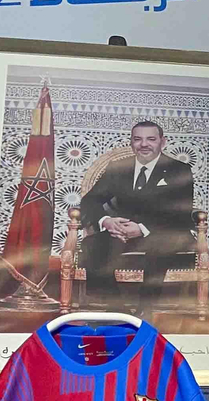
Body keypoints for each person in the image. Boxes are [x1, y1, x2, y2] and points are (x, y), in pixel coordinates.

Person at [78, 120, 195, 315]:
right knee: (92, 245)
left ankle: (145, 310)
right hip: (123, 232)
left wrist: (142, 228)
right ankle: (116, 309)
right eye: (138, 139)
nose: (144, 144)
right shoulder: (118, 167)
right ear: (131, 143)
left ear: (162, 142)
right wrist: (106, 221)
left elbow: (180, 213)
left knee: (161, 244)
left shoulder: (178, 169)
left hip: (165, 232)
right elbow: (90, 202)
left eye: (151, 139)